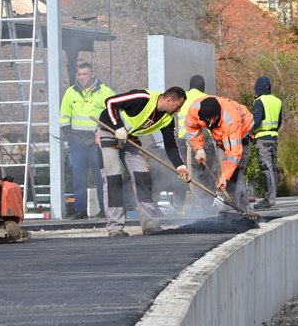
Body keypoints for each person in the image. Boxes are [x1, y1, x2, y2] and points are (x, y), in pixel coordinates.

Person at [98, 86, 191, 237]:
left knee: (143, 178)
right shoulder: (143, 98)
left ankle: (150, 224)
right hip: (109, 131)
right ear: (169, 100)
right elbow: (110, 102)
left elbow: (171, 146)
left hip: (130, 139)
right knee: (113, 178)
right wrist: (118, 127)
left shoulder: (167, 119)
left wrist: (181, 166)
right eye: (178, 106)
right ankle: (115, 227)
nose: (178, 110)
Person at [59, 62, 114, 219]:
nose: (82, 77)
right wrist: (69, 136)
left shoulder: (106, 92)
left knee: (100, 176)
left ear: (92, 74)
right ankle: (80, 210)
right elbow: (64, 116)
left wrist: (104, 134)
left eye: (85, 74)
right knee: (78, 177)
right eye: (80, 74)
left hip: (96, 141)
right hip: (76, 141)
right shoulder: (71, 92)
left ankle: (105, 209)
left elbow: (112, 114)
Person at [184, 95, 254, 214]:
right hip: (221, 137)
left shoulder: (231, 119)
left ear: (219, 113)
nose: (211, 122)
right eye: (208, 119)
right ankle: (245, 210)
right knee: (229, 175)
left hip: (241, 132)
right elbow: (192, 129)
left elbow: (233, 153)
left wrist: (225, 176)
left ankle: (232, 212)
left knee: (234, 173)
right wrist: (199, 149)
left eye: (214, 118)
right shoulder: (195, 110)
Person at [175, 74, 216, 213]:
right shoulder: (207, 98)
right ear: (202, 86)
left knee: (188, 172)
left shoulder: (182, 99)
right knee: (208, 171)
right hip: (204, 139)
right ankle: (206, 203)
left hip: (183, 139)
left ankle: (190, 204)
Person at [251, 76, 282, 209]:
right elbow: (279, 122)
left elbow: (256, 122)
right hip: (274, 137)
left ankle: (269, 200)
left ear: (258, 90)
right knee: (272, 169)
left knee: (266, 169)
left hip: (262, 138)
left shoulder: (259, 101)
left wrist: (250, 131)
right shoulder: (277, 101)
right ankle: (271, 198)